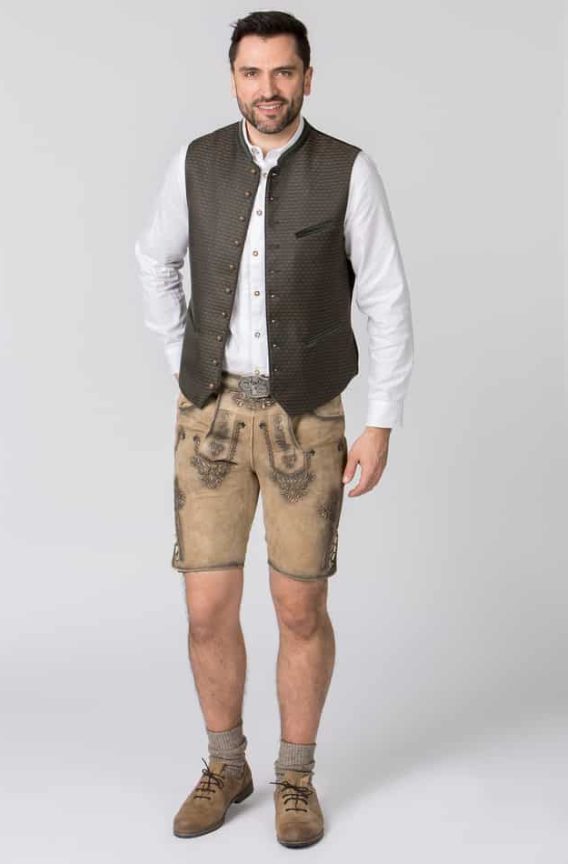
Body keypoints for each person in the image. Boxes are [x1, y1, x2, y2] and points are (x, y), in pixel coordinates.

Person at [135, 9, 414, 848]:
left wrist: (381, 421)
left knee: (300, 608)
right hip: (210, 419)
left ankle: (296, 777)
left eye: (283, 72)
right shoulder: (197, 163)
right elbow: (155, 259)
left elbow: (386, 298)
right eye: (252, 73)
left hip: (308, 417)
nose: (268, 88)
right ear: (233, 79)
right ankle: (227, 766)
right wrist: (181, 361)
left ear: (307, 78)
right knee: (205, 609)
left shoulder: (347, 170)